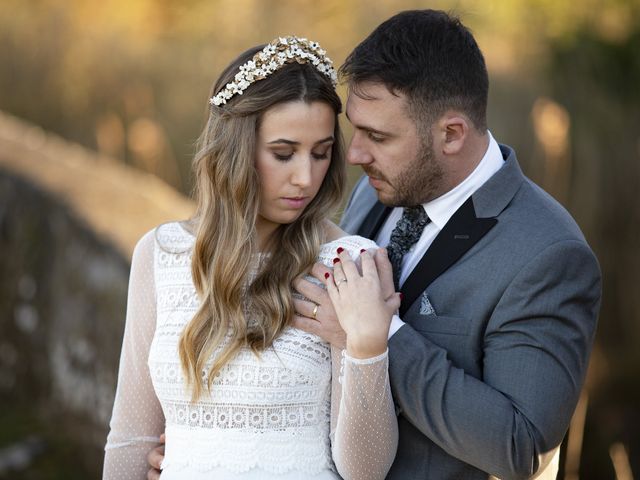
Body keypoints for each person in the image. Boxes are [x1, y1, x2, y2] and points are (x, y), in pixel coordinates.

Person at [291, 10, 602, 480]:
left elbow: (520, 447)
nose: (354, 154)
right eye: (356, 129)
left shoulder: (549, 255)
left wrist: (378, 335)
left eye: (377, 136)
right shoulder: (376, 190)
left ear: (452, 134)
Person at [103, 36, 399, 480]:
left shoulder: (349, 264)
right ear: (235, 150)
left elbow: (365, 470)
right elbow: (131, 438)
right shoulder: (159, 255)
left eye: (321, 154)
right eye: (283, 154)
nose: (305, 178)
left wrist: (364, 345)